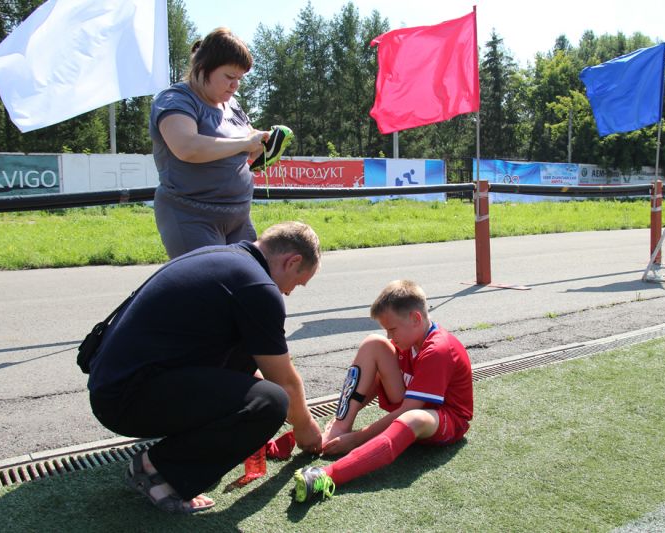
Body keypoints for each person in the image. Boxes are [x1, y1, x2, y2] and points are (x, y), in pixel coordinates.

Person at [87, 221, 324, 514]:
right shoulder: (258, 288)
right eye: (297, 283)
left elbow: (245, 364)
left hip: (114, 386)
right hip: (126, 400)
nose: (288, 292)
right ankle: (156, 471)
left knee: (256, 382)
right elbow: (284, 382)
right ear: (293, 261)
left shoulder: (225, 259)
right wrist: (305, 428)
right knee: (272, 402)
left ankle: (177, 458)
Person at [292, 280, 473, 502]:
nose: (389, 336)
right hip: (411, 404)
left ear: (416, 318)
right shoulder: (409, 339)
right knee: (373, 344)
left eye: (392, 329)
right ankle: (338, 429)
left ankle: (328, 475)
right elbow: (375, 382)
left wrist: (357, 438)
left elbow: (407, 410)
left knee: (413, 417)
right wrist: (343, 419)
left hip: (446, 419)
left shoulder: (438, 349)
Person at [150, 27, 269, 259]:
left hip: (238, 215)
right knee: (209, 280)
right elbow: (187, 148)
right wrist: (246, 143)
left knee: (248, 278)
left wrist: (261, 143)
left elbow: (245, 141)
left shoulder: (230, 104)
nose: (235, 86)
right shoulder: (174, 100)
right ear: (203, 68)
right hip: (192, 216)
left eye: (240, 79)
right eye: (229, 77)